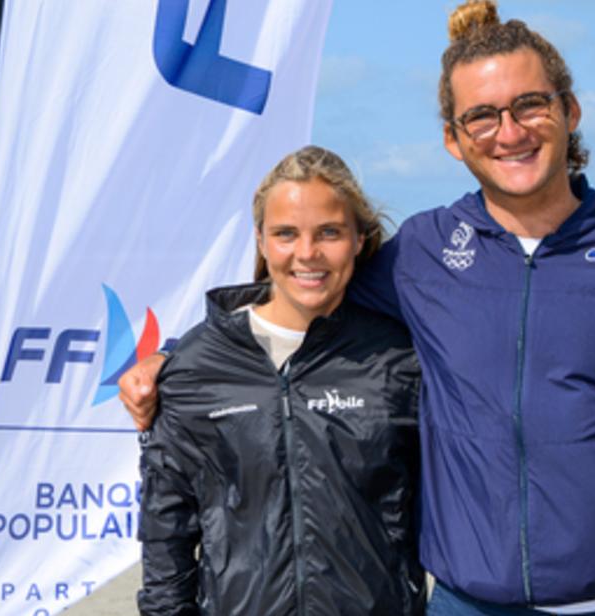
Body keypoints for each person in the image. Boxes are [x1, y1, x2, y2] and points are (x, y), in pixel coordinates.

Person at [122, 2, 595, 614]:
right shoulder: (424, 253)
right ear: (454, 139)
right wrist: (179, 356)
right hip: (466, 605)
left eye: (530, 104)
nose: (510, 132)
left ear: (569, 110)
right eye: (481, 116)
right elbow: (303, 287)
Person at [138, 146, 422, 615]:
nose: (307, 253)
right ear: (261, 240)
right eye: (286, 233)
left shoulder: (397, 358)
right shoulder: (196, 367)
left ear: (358, 239)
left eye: (329, 232)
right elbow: (166, 529)